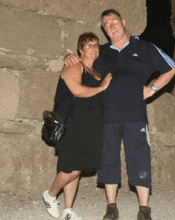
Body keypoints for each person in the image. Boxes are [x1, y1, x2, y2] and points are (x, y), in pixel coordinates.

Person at [64, 9, 175, 220]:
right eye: (106, 25)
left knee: (140, 158)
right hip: (106, 116)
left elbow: (172, 67)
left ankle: (144, 209)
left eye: (114, 21)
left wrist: (151, 89)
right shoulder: (102, 51)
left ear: (123, 22)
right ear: (104, 30)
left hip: (135, 115)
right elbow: (84, 62)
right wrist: (71, 57)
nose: (111, 26)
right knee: (108, 160)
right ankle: (111, 206)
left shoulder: (144, 47)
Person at [42, 32, 112, 220]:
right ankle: (50, 195)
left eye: (96, 45)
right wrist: (101, 88)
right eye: (88, 45)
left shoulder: (96, 72)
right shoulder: (74, 65)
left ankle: (68, 211)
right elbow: (77, 90)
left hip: (89, 125)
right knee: (70, 168)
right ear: (80, 50)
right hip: (72, 125)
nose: (94, 48)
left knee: (77, 169)